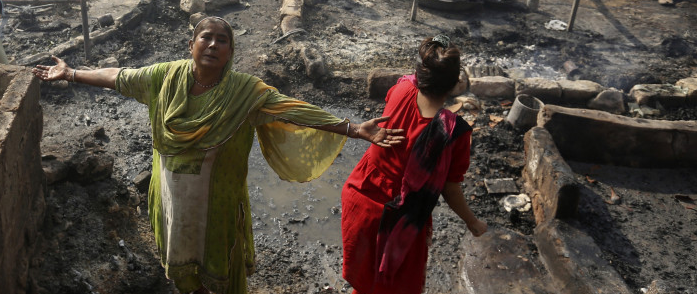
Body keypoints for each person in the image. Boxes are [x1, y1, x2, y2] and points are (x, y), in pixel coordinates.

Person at [32, 16, 407, 294]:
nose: (212, 45)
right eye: (205, 38)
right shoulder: (165, 76)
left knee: (219, 262)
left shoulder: (246, 92)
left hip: (218, 201)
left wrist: (355, 129)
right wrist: (73, 73)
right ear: (192, 44)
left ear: (230, 51)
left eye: (221, 40)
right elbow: (119, 76)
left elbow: (294, 109)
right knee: (179, 253)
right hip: (171, 194)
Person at [341, 36, 487, 294]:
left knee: (365, 281)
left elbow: (418, 90)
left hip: (360, 196)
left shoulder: (401, 89)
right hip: (398, 218)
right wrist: (473, 222)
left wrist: (452, 102)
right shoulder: (454, 132)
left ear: (420, 73)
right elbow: (450, 190)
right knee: (392, 286)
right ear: (454, 85)